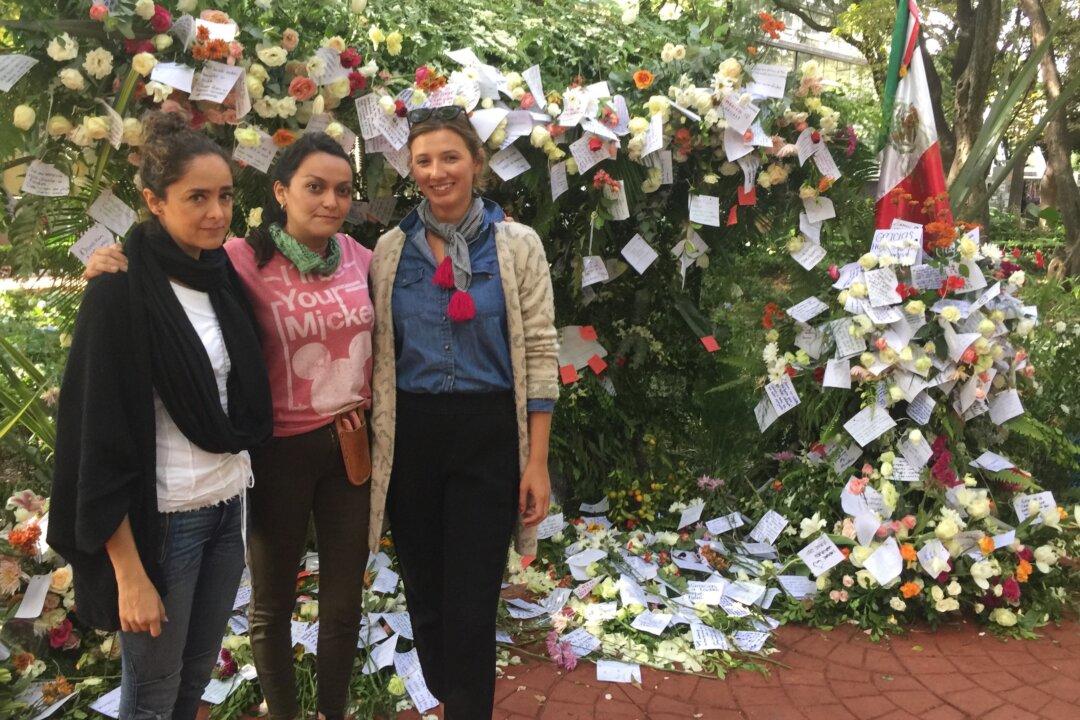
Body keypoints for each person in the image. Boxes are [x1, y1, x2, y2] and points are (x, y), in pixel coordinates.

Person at [83, 132, 375, 720]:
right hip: (256, 464)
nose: (330, 201)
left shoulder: (355, 257)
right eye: (314, 187)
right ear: (279, 191)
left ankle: (333, 712)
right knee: (255, 614)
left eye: (342, 190)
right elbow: (100, 436)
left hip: (329, 453)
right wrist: (108, 258)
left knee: (331, 608)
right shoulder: (240, 258)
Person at [48, 111, 273, 720]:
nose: (216, 213)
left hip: (228, 502)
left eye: (225, 195)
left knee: (195, 676)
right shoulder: (120, 292)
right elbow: (99, 442)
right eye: (195, 197)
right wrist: (130, 574)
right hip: (163, 524)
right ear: (153, 200)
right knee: (150, 692)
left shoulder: (220, 273)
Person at [367, 105, 559, 718]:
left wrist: (538, 461)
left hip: (486, 436)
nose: (436, 171)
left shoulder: (517, 245)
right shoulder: (390, 251)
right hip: (412, 436)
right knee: (425, 591)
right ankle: (452, 697)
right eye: (423, 160)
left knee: (472, 598)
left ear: (476, 163)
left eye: (450, 157)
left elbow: (541, 353)